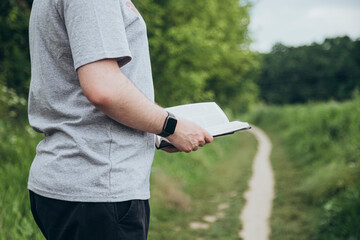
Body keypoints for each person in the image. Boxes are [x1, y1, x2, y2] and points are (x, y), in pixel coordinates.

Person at [27, 0, 213, 239]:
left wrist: (155, 132)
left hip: (74, 182)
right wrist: (171, 127)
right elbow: (104, 88)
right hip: (98, 186)